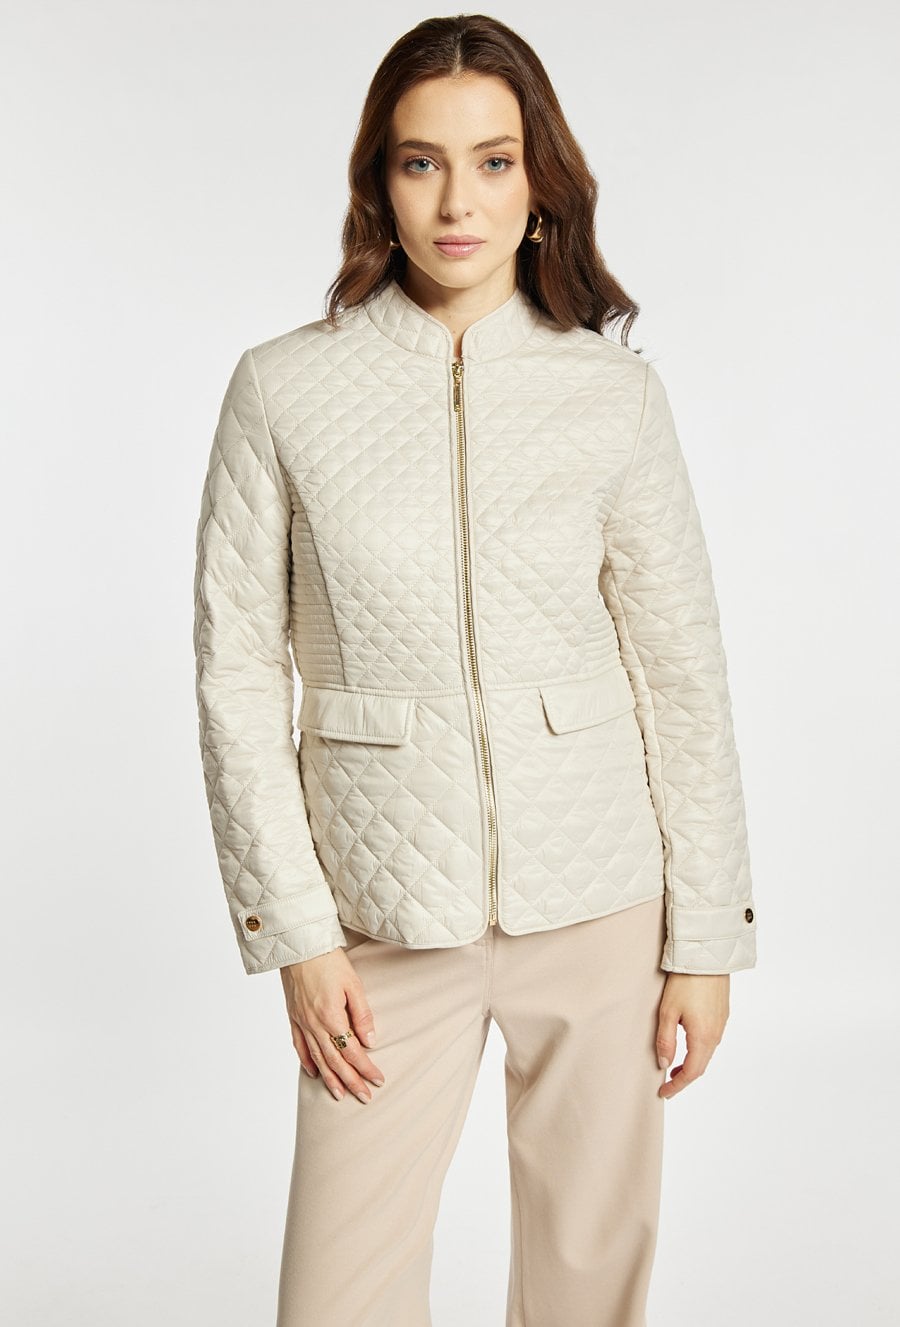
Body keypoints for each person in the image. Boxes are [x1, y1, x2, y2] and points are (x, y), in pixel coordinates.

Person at [192, 13, 758, 1326]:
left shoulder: (611, 395)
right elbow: (235, 675)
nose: (459, 202)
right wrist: (296, 934)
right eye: (422, 162)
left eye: (494, 162)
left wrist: (706, 937)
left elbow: (682, 670)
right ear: (378, 183)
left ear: (538, 181)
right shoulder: (282, 390)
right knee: (338, 1297)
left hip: (599, 900)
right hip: (379, 917)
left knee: (586, 1282)